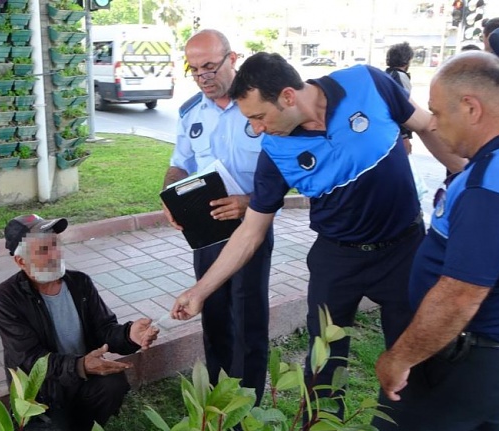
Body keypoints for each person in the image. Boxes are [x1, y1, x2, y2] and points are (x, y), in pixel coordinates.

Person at [170, 52, 465, 417]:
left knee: (413, 353)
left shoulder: (366, 83)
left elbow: (425, 124)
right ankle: (323, 422)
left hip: (404, 249)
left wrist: (463, 173)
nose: (257, 129)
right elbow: (250, 232)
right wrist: (200, 290)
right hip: (336, 259)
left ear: (288, 97)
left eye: (259, 117)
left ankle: (406, 421)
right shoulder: (276, 152)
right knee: (325, 364)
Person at [374, 51, 499, 430]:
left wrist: (400, 358)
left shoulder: (493, 182)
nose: (434, 126)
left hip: (462, 362)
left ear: (471, 107)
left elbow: (460, 295)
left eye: (437, 112)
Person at [161, 29, 273, 405]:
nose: (203, 76)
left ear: (233, 58)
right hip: (207, 230)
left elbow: (288, 173)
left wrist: (249, 202)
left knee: (247, 319)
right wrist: (169, 196)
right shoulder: (191, 111)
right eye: (194, 70)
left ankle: (248, 405)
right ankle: (217, 399)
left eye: (210, 66)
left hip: (251, 225)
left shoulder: (259, 104)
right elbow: (179, 164)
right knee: (213, 313)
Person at [0, 214, 159, 431]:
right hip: (41, 390)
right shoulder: (4, 299)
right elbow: (30, 359)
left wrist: (129, 335)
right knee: (56, 427)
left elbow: (104, 329)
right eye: (43, 250)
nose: (55, 254)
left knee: (113, 385)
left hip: (81, 376)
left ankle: (84, 424)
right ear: (21, 261)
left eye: (55, 245)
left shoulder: (80, 282)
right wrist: (81, 365)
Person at [385, 42, 415, 155]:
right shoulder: (400, 77)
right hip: (395, 132)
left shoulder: (387, 74)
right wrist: (404, 136)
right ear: (407, 60)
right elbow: (402, 108)